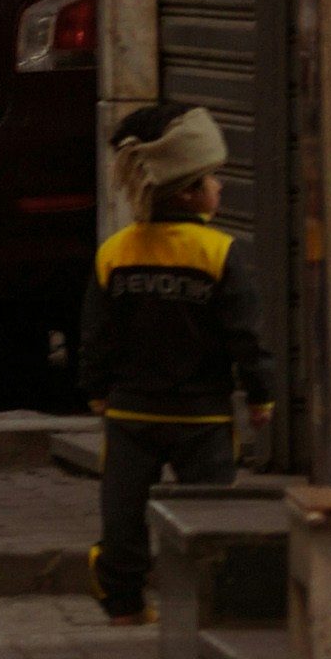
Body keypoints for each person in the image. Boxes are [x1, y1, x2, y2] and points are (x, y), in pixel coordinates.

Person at [83, 101, 273, 621]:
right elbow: (245, 337)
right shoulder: (218, 253)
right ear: (188, 192)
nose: (219, 187)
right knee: (210, 516)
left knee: (122, 515)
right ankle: (204, 611)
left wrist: (98, 391)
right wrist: (261, 395)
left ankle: (122, 604)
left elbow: (97, 336)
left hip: (130, 416)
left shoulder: (115, 252)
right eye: (212, 178)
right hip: (202, 419)